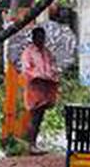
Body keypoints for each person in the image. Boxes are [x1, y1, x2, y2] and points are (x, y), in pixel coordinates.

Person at [19, 25, 60, 155]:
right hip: (34, 88)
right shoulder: (28, 52)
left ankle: (34, 143)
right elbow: (26, 70)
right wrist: (39, 75)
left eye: (43, 37)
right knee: (34, 116)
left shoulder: (46, 52)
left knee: (40, 116)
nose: (42, 40)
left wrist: (53, 75)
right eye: (39, 37)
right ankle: (30, 145)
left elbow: (52, 66)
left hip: (45, 88)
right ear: (34, 38)